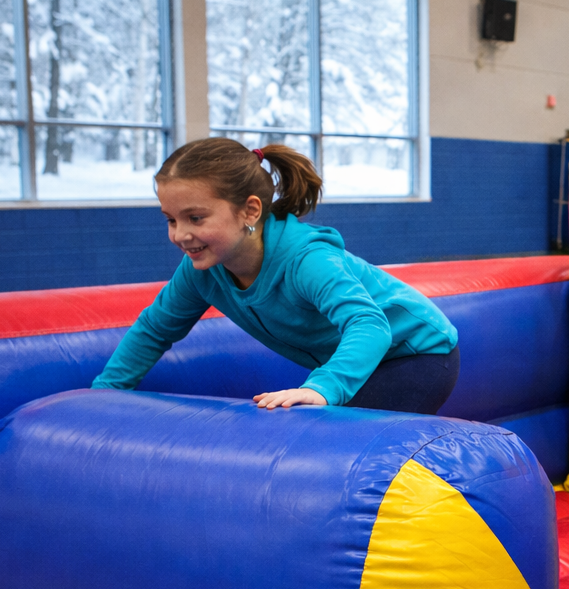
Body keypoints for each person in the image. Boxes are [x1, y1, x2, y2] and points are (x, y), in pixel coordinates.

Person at [92, 137, 459, 414]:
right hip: (362, 359)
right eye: (171, 219)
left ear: (249, 211)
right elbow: (154, 331)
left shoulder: (305, 259)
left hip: (414, 354)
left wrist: (322, 387)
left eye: (196, 218)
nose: (180, 234)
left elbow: (369, 325)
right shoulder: (201, 273)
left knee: (329, 435)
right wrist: (104, 394)